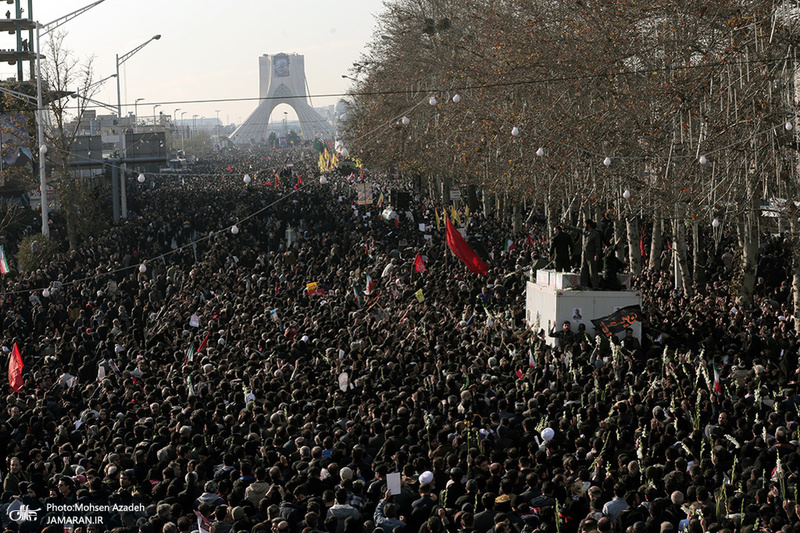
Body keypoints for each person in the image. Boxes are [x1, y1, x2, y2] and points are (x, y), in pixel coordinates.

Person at [580, 219, 603, 289]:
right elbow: (577, 230)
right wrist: (566, 226)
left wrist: (597, 254)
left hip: (591, 254)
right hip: (585, 254)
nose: (584, 226)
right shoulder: (586, 232)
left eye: (585, 224)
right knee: (583, 269)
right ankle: (583, 284)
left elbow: (597, 246)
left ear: (589, 225)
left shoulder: (595, 234)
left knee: (592, 270)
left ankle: (595, 285)